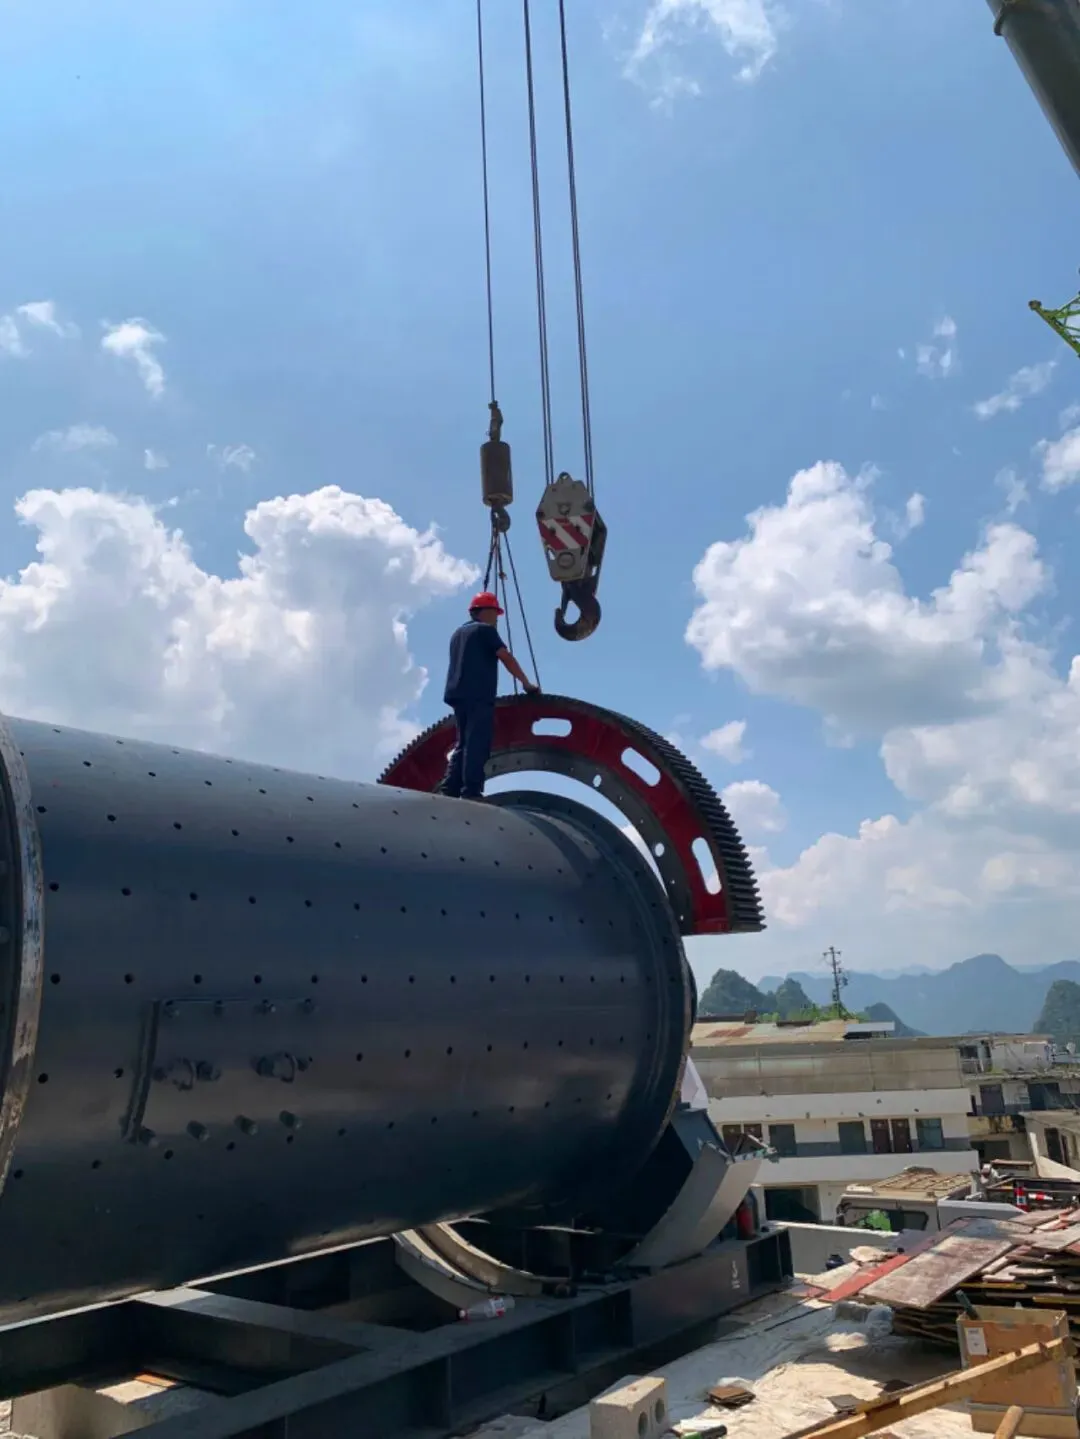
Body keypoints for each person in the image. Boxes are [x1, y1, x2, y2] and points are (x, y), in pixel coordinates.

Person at [439, 591, 539, 800]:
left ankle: (449, 788)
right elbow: (505, 656)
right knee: (477, 742)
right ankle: (471, 791)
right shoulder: (485, 630)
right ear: (484, 611)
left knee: (462, 743)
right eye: (495, 612)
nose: (497, 618)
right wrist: (526, 683)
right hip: (478, 693)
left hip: (457, 694)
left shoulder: (457, 634)